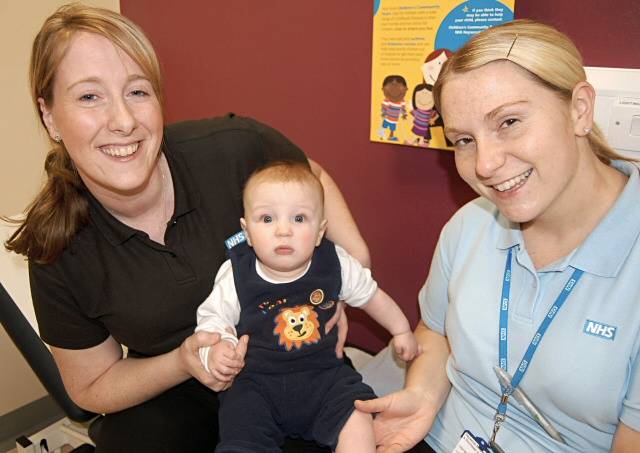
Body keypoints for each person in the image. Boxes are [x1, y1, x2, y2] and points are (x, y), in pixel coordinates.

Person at [4, 4, 370, 452]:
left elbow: (312, 180)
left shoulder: (234, 152)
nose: (123, 121)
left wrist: (346, 278)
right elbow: (91, 385)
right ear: (49, 116)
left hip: (295, 360)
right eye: (89, 97)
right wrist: (183, 360)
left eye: (137, 92)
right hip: (172, 392)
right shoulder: (58, 248)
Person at [356, 19, 640, 452]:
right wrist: (421, 398)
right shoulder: (470, 225)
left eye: (508, 121)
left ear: (579, 109)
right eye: (464, 139)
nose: (484, 165)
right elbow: (436, 332)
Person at [195, 161, 419, 452]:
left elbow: (372, 296)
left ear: (319, 231)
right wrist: (217, 349)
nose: (283, 230)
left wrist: (400, 330)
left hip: (324, 375)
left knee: (359, 415)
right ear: (246, 230)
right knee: (240, 430)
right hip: (256, 382)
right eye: (267, 219)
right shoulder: (235, 273)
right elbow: (212, 319)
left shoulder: (336, 263)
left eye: (299, 219)